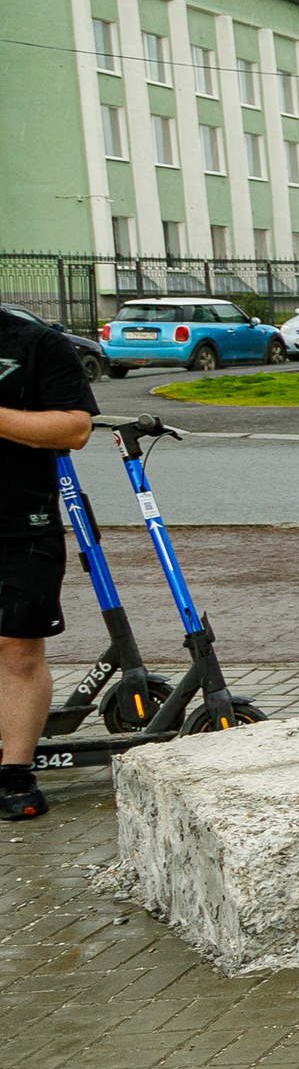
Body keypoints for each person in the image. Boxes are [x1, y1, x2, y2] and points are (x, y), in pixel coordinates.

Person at [0, 308, 95, 821]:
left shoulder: (36, 344)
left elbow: (75, 427)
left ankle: (13, 770)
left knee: (16, 648)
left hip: (19, 521)